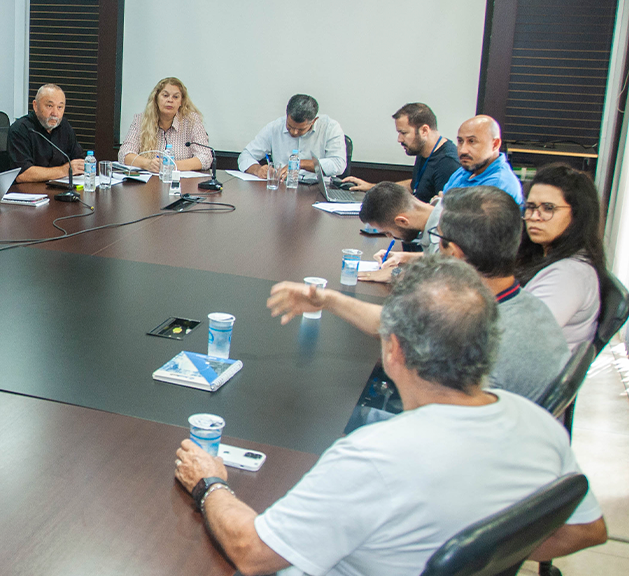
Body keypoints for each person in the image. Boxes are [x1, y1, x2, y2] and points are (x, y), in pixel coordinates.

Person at [181, 255, 606, 576]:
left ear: (394, 350)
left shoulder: (372, 457)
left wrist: (210, 483)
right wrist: (482, 551)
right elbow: (587, 530)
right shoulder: (541, 424)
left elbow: (252, 551)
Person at [269, 186, 569, 402]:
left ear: (453, 252)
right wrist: (329, 300)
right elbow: (400, 322)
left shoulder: (479, 341)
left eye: (437, 240)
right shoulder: (520, 307)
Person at [518, 163, 608, 350]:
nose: (535, 216)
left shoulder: (569, 275)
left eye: (548, 208)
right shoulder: (543, 256)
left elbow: (521, 336)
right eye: (530, 206)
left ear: (577, 216)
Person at [342, 102, 459, 202]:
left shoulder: (448, 163)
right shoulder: (423, 151)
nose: (399, 139)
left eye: (404, 133)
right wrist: (372, 187)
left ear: (424, 130)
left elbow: (443, 214)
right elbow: (414, 186)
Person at [237, 94, 347, 181]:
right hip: (282, 187)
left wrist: (300, 164)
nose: (294, 132)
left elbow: (338, 164)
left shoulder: (330, 128)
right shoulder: (275, 127)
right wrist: (257, 170)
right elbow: (245, 156)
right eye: (289, 126)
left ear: (314, 121)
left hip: (317, 190)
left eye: (301, 129)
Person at [117, 77, 213, 172]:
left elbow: (205, 158)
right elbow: (124, 154)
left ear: (181, 102)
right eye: (165, 95)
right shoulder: (140, 120)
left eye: (175, 97)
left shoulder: (192, 121)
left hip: (181, 183)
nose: (170, 100)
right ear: (156, 98)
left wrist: (172, 165)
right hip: (148, 184)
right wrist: (148, 164)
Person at [355, 183, 441, 283]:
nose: (390, 236)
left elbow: (444, 277)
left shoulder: (445, 229)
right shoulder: (442, 207)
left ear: (402, 221)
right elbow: (438, 257)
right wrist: (403, 257)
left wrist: (397, 273)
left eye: (388, 232)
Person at [7, 84, 87, 183]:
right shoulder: (20, 129)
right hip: (30, 192)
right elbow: (22, 175)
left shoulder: (64, 126)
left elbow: (78, 160)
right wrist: (64, 170)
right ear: (35, 106)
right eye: (50, 106)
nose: (55, 113)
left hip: (60, 189)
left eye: (60, 107)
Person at [443, 115, 524, 205]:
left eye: (472, 141)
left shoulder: (499, 183)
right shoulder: (465, 170)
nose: (463, 150)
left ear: (495, 144)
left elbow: (458, 217)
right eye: (460, 141)